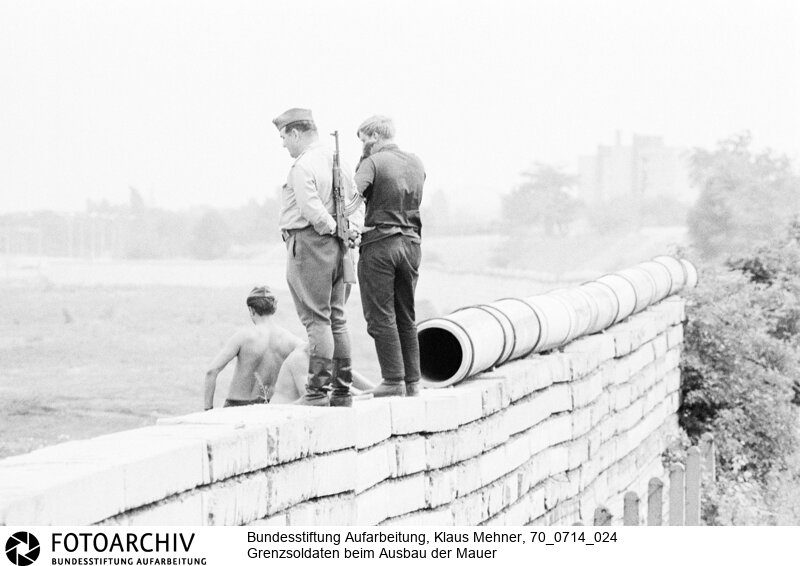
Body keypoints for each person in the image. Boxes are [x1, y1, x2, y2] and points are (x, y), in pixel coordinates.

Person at [272, 107, 363, 407]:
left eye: (284, 137)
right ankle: (342, 391)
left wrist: (334, 228)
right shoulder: (340, 161)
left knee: (317, 320)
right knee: (337, 318)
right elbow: (356, 203)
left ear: (296, 133)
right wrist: (350, 231)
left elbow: (310, 209)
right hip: (341, 247)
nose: (284, 143)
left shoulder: (303, 166)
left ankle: (316, 392)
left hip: (310, 245)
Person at [349, 115, 425, 397]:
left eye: (363, 140)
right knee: (406, 314)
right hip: (412, 244)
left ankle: (393, 380)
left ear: (373, 137)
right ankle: (412, 382)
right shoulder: (416, 162)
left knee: (380, 315)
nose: (363, 145)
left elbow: (350, 198)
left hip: (380, 244)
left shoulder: (372, 162)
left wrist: (354, 227)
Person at [203, 286, 306, 410]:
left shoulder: (242, 336)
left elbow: (211, 371)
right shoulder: (293, 341)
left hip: (237, 406)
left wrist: (208, 409)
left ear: (251, 310)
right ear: (274, 308)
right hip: (268, 407)